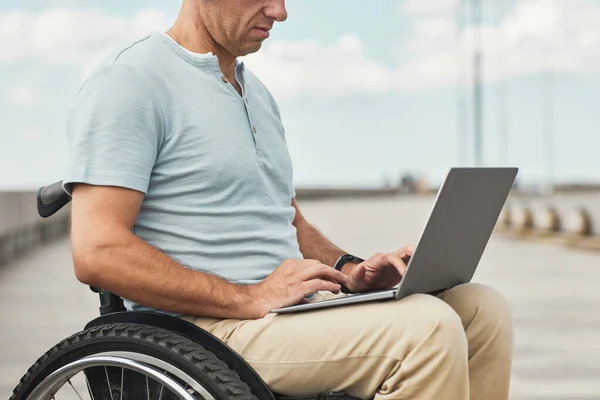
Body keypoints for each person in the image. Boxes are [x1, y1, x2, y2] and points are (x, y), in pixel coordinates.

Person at [63, 0, 514, 399]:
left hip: (283, 311)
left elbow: (284, 216)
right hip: (207, 328)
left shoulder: (255, 92)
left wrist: (350, 271)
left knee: (482, 311)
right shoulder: (131, 80)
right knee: (426, 332)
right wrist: (248, 297)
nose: (280, 12)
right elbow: (98, 252)